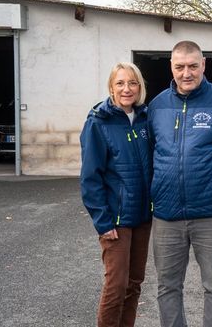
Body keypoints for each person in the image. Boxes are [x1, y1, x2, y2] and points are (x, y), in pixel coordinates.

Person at [148, 40, 212, 327]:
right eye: (179, 67)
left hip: (211, 214)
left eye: (193, 66)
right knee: (167, 287)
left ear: (204, 65)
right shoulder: (157, 107)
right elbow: (152, 153)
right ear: (171, 67)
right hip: (167, 215)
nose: (186, 73)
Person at [80, 62, 152, 327]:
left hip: (142, 217)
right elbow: (90, 177)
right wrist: (103, 220)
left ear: (140, 87)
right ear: (111, 87)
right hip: (116, 220)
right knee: (116, 285)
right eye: (120, 83)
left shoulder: (145, 119)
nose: (127, 89)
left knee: (134, 284)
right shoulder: (99, 122)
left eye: (132, 83)